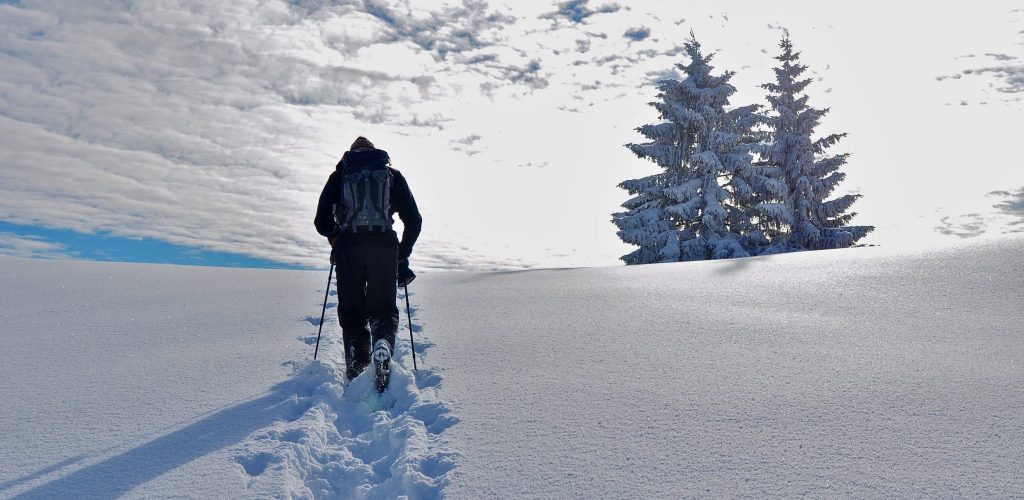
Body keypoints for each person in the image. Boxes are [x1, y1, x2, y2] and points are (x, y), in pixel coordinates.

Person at [314, 136, 421, 389]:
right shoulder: (391, 176)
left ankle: (358, 369)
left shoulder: (340, 175)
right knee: (383, 309)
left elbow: (321, 221)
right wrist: (402, 253)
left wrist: (335, 236)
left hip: (349, 248)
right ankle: (382, 344)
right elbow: (414, 220)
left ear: (350, 153)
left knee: (352, 314)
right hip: (384, 248)